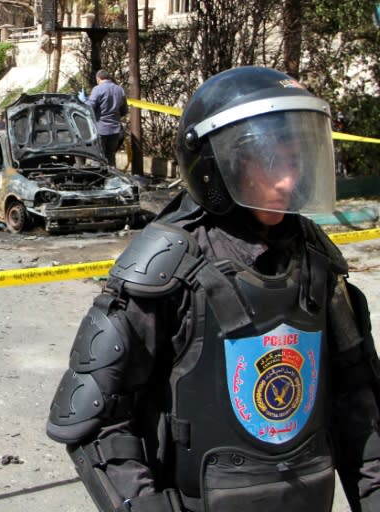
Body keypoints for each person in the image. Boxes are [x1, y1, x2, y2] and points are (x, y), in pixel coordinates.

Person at [46, 66, 380, 511]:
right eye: (270, 162)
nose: (287, 180)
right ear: (221, 166)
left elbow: (360, 404)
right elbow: (94, 419)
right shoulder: (169, 264)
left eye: (295, 161)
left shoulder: (315, 259)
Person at [84, 69, 128, 167]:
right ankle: (112, 178)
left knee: (98, 157)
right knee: (111, 155)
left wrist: (84, 101)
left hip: (101, 129)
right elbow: (124, 110)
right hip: (115, 129)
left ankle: (98, 180)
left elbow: (90, 107)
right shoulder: (119, 89)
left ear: (98, 78)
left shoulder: (97, 89)